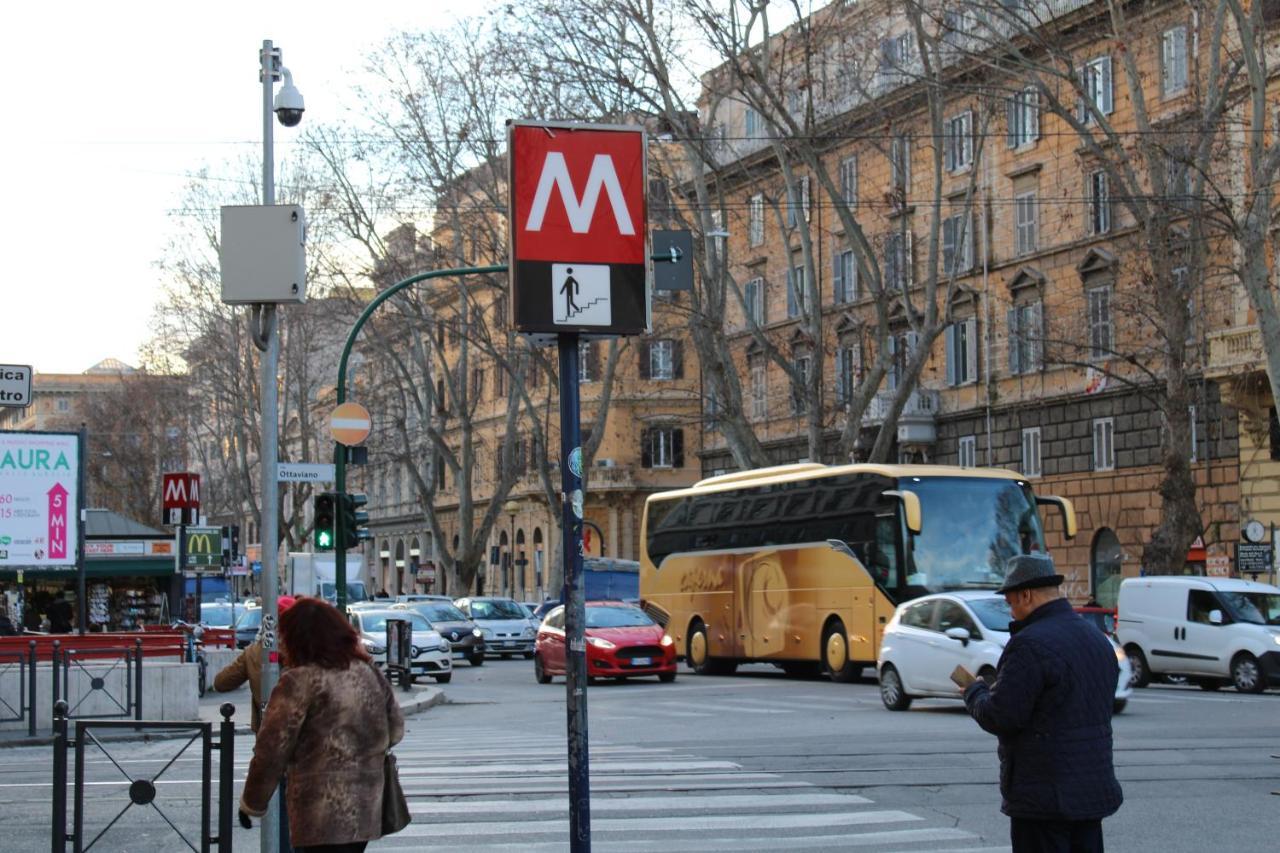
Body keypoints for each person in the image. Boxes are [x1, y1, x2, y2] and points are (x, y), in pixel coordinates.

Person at [951, 554, 1122, 852]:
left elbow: (1001, 715)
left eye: (1010, 600)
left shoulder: (1030, 644)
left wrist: (974, 692)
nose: (1010, 609)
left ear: (1026, 595)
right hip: (1091, 789)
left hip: (1043, 795)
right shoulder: (1096, 639)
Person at [239, 597, 404, 852]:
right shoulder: (367, 672)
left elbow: (271, 749)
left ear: (297, 638)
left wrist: (252, 802)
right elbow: (395, 730)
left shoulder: (300, 680)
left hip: (319, 809)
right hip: (365, 806)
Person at [213, 595, 296, 732]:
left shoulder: (254, 652)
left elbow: (221, 682)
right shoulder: (306, 652)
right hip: (300, 738)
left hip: (265, 734)